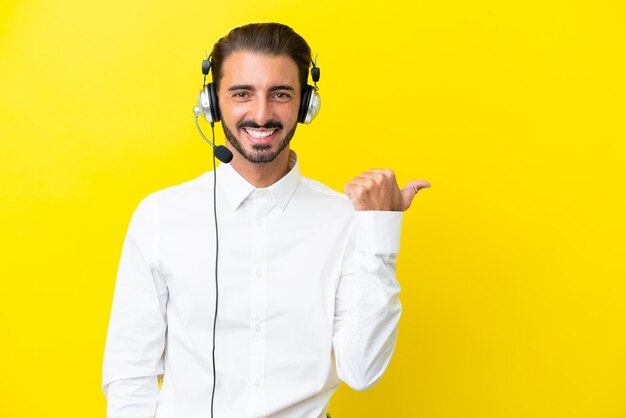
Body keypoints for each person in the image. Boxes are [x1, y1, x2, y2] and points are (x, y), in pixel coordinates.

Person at [102, 22, 430, 418]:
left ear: (306, 105)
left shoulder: (347, 220)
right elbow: (129, 374)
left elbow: (361, 372)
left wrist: (380, 233)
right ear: (212, 102)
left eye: (280, 95)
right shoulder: (160, 216)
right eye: (242, 94)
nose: (261, 114)